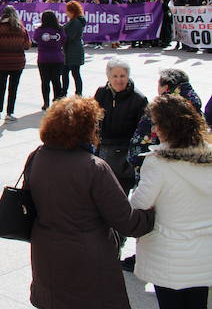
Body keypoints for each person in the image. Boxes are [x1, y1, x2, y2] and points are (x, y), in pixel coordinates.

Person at [27, 97, 155, 308]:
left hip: (46, 252)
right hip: (86, 258)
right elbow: (127, 222)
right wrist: (152, 214)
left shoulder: (37, 157)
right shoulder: (94, 167)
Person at [131, 95, 212, 309]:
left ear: (168, 126)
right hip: (204, 254)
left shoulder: (158, 163)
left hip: (168, 255)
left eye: (156, 124)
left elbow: (139, 204)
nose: (154, 130)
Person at [94, 59, 147, 193]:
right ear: (108, 77)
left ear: (128, 76)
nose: (119, 80)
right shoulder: (101, 93)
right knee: (102, 190)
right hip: (103, 148)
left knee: (121, 191)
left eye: (122, 76)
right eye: (115, 76)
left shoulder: (139, 99)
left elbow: (142, 129)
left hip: (125, 152)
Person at [0, 5, 31, 121]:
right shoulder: (21, 29)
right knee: (13, 88)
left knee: (1, 87)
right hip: (17, 62)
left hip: (1, 62)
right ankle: (9, 113)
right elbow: (27, 45)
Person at [33, 10, 66, 111]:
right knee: (56, 81)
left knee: (45, 81)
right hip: (57, 58)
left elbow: (35, 39)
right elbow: (64, 40)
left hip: (43, 58)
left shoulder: (39, 30)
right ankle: (57, 101)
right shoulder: (60, 29)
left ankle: (46, 103)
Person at [61, 1, 86, 96]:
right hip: (70, 50)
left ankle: (78, 93)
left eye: (67, 11)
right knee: (65, 72)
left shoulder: (76, 22)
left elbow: (70, 36)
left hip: (73, 50)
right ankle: (64, 91)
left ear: (72, 11)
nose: (66, 13)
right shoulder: (74, 21)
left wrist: (61, 40)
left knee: (75, 73)